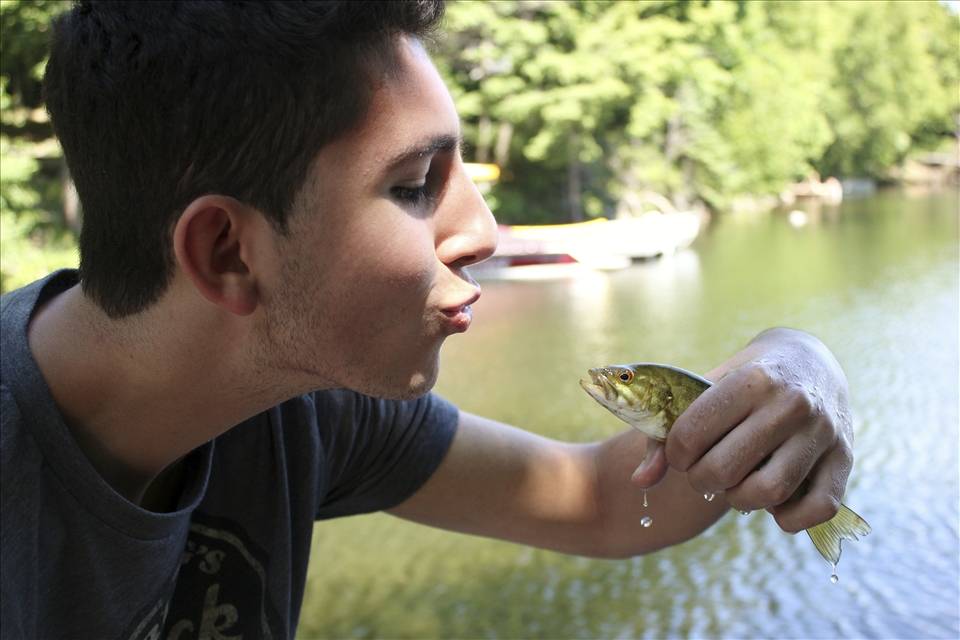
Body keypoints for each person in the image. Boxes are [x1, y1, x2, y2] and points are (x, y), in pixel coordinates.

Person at [0, 1, 854, 637]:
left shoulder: (302, 404)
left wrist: (800, 361)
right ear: (227, 252)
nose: (483, 232)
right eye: (415, 185)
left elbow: (598, 500)